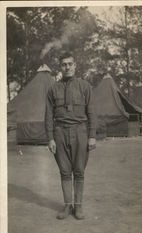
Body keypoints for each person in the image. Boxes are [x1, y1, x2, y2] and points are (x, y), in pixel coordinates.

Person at [45, 52, 96, 220]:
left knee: (79, 171)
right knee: (65, 171)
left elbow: (92, 112)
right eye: (63, 64)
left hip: (81, 131)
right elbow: (48, 115)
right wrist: (50, 138)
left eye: (70, 64)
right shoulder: (53, 89)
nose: (67, 67)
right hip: (60, 133)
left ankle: (78, 207)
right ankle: (67, 206)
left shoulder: (85, 86)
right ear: (60, 67)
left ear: (75, 66)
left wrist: (92, 135)